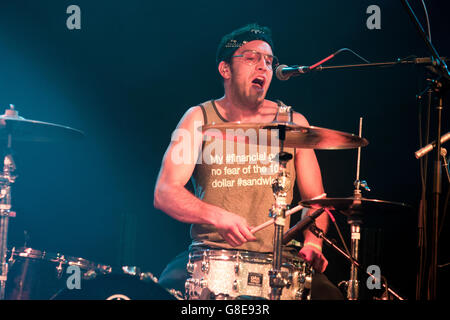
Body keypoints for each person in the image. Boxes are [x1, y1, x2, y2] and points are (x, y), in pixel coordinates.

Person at [153, 23, 343, 300]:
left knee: (332, 296)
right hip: (210, 256)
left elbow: (316, 201)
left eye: (269, 61)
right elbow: (165, 192)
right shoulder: (199, 119)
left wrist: (314, 243)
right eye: (252, 58)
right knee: (161, 290)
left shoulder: (292, 124)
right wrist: (216, 215)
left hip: (281, 260)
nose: (263, 67)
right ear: (225, 69)